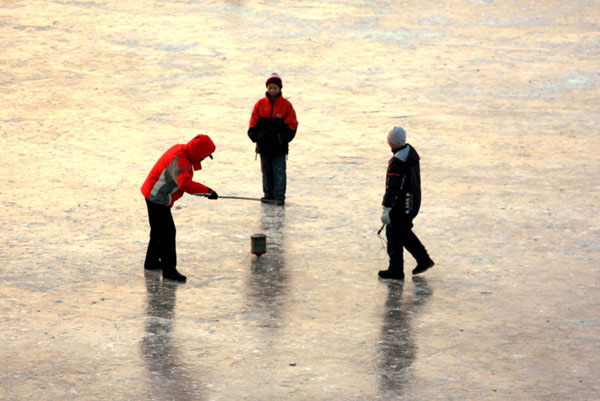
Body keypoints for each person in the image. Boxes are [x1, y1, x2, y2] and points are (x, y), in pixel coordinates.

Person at [141, 134, 218, 282]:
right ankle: (169, 270)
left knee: (158, 231)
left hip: (153, 193)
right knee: (167, 233)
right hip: (156, 197)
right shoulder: (180, 161)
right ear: (198, 153)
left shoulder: (181, 151)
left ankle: (151, 262)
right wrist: (208, 191)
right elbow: (185, 183)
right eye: (203, 157)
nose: (202, 160)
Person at [379, 126, 434, 280]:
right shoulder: (410, 153)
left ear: (391, 142)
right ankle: (423, 260)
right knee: (402, 232)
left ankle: (396, 270)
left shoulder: (398, 161)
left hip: (402, 205)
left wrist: (387, 208)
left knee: (394, 233)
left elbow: (393, 187)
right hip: (412, 202)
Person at [248, 72, 298, 206]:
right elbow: (253, 123)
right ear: (267, 88)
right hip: (264, 147)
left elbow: (292, 125)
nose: (272, 90)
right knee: (267, 173)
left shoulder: (286, 105)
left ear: (280, 88)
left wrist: (282, 139)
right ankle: (268, 195)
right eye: (270, 87)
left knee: (279, 173)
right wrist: (256, 136)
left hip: (279, 148)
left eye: (275, 87)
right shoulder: (259, 104)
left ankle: (279, 197)